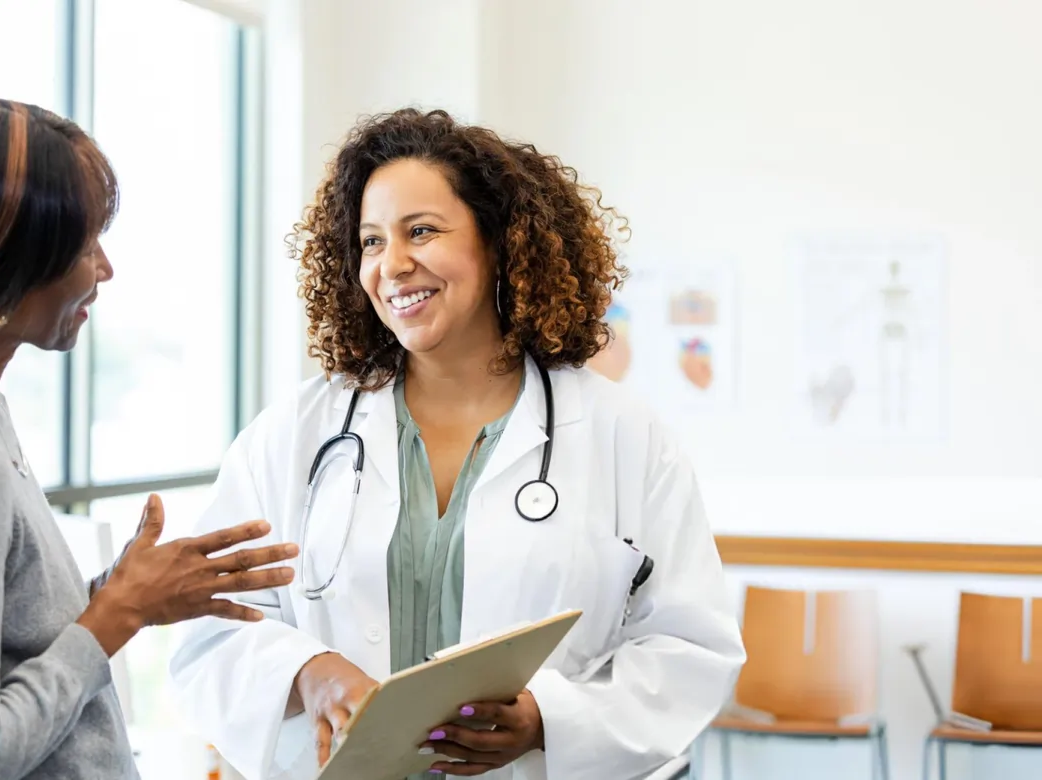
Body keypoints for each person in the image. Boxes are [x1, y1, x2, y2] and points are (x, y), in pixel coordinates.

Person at [168, 108, 745, 779]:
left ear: (498, 242)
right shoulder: (295, 434)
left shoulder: (622, 434)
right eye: (372, 241)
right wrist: (306, 672)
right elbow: (210, 627)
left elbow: (688, 644)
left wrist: (548, 721)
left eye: (422, 231)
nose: (394, 265)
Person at [0, 96, 298, 779]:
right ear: (6, 263)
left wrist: (125, 590)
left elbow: (7, 642)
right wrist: (116, 617)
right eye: (85, 246)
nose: (104, 270)